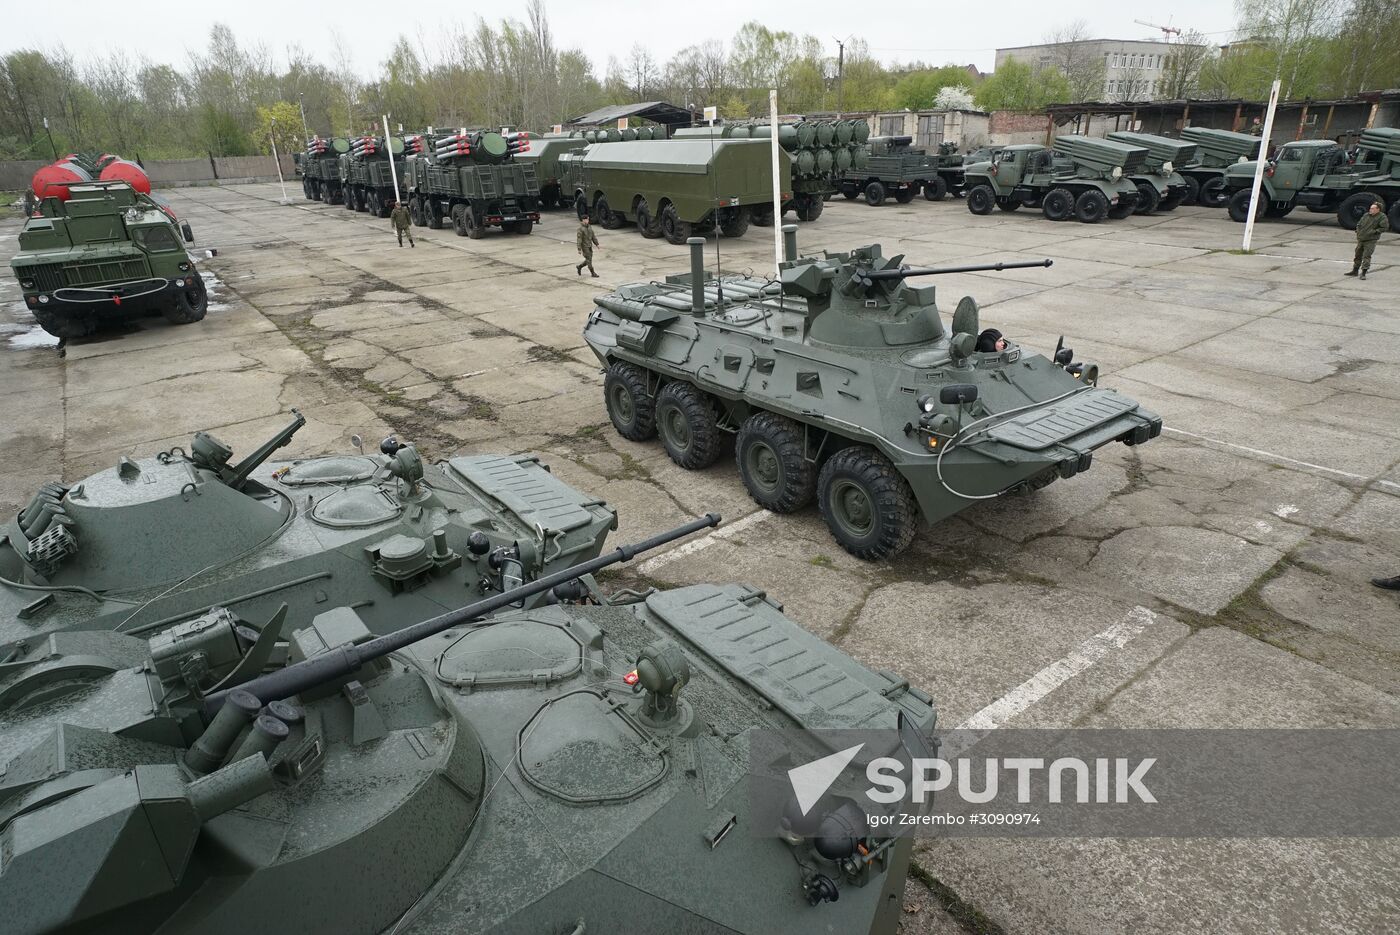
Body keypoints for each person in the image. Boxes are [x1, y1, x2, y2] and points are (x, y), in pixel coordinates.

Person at [1347, 199, 1386, 280]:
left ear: (1378, 209)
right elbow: (1359, 223)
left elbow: (1384, 227)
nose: (1370, 209)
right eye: (1370, 208)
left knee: (1366, 256)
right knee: (1358, 255)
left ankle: (1363, 273)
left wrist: (1374, 232)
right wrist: (1358, 230)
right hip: (1361, 238)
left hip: (1370, 240)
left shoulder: (1382, 217)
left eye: (1372, 208)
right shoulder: (1366, 215)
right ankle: (1355, 270)